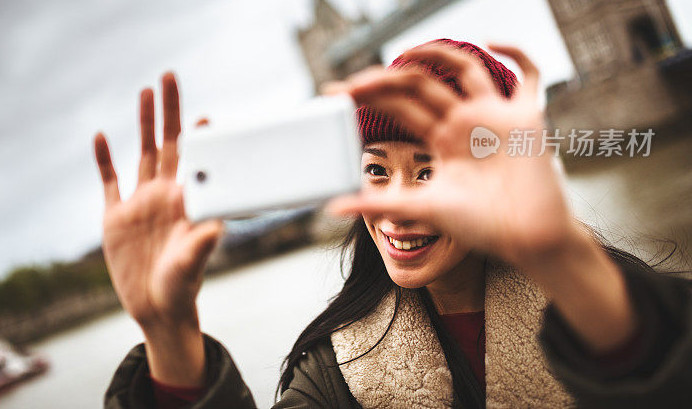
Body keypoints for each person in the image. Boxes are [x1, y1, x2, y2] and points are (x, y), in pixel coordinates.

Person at [96, 39, 692, 408]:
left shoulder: (626, 310)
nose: (396, 204)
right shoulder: (330, 376)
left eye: (428, 170)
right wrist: (169, 335)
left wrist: (562, 259)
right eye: (375, 171)